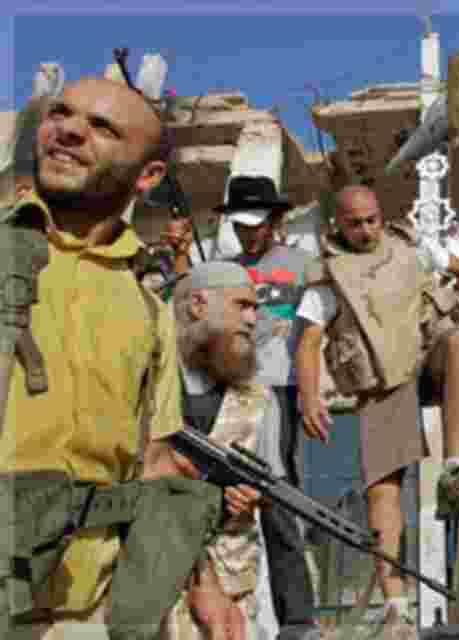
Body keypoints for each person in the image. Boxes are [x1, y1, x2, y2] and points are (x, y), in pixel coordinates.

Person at [0, 76, 258, 639]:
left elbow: (156, 462)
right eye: (60, 113)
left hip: (90, 612)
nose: (68, 131)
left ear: (148, 176)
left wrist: (204, 585)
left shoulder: (146, 305)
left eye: (101, 127)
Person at [294, 184, 459, 640]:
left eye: (371, 220)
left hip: (426, 352)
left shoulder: (411, 246)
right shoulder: (329, 275)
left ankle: (454, 468)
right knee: (383, 492)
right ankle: (396, 605)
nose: (365, 231)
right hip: (381, 379)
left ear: (382, 216)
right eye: (354, 223)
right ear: (338, 224)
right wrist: (309, 396)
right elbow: (308, 339)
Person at [165, 176, 321, 639]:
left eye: (257, 223)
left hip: (278, 390)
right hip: (217, 391)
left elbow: (320, 323)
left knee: (278, 498)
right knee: (212, 497)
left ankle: (297, 618)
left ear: (275, 221)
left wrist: (312, 389)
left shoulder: (302, 264)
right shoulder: (221, 269)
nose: (249, 232)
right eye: (240, 224)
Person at [164, 261, 288, 640]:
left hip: (236, 601)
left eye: (255, 308)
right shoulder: (150, 383)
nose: (253, 319)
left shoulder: (259, 398)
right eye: (242, 305)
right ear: (198, 305)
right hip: (153, 593)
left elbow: (275, 505)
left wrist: (255, 497)